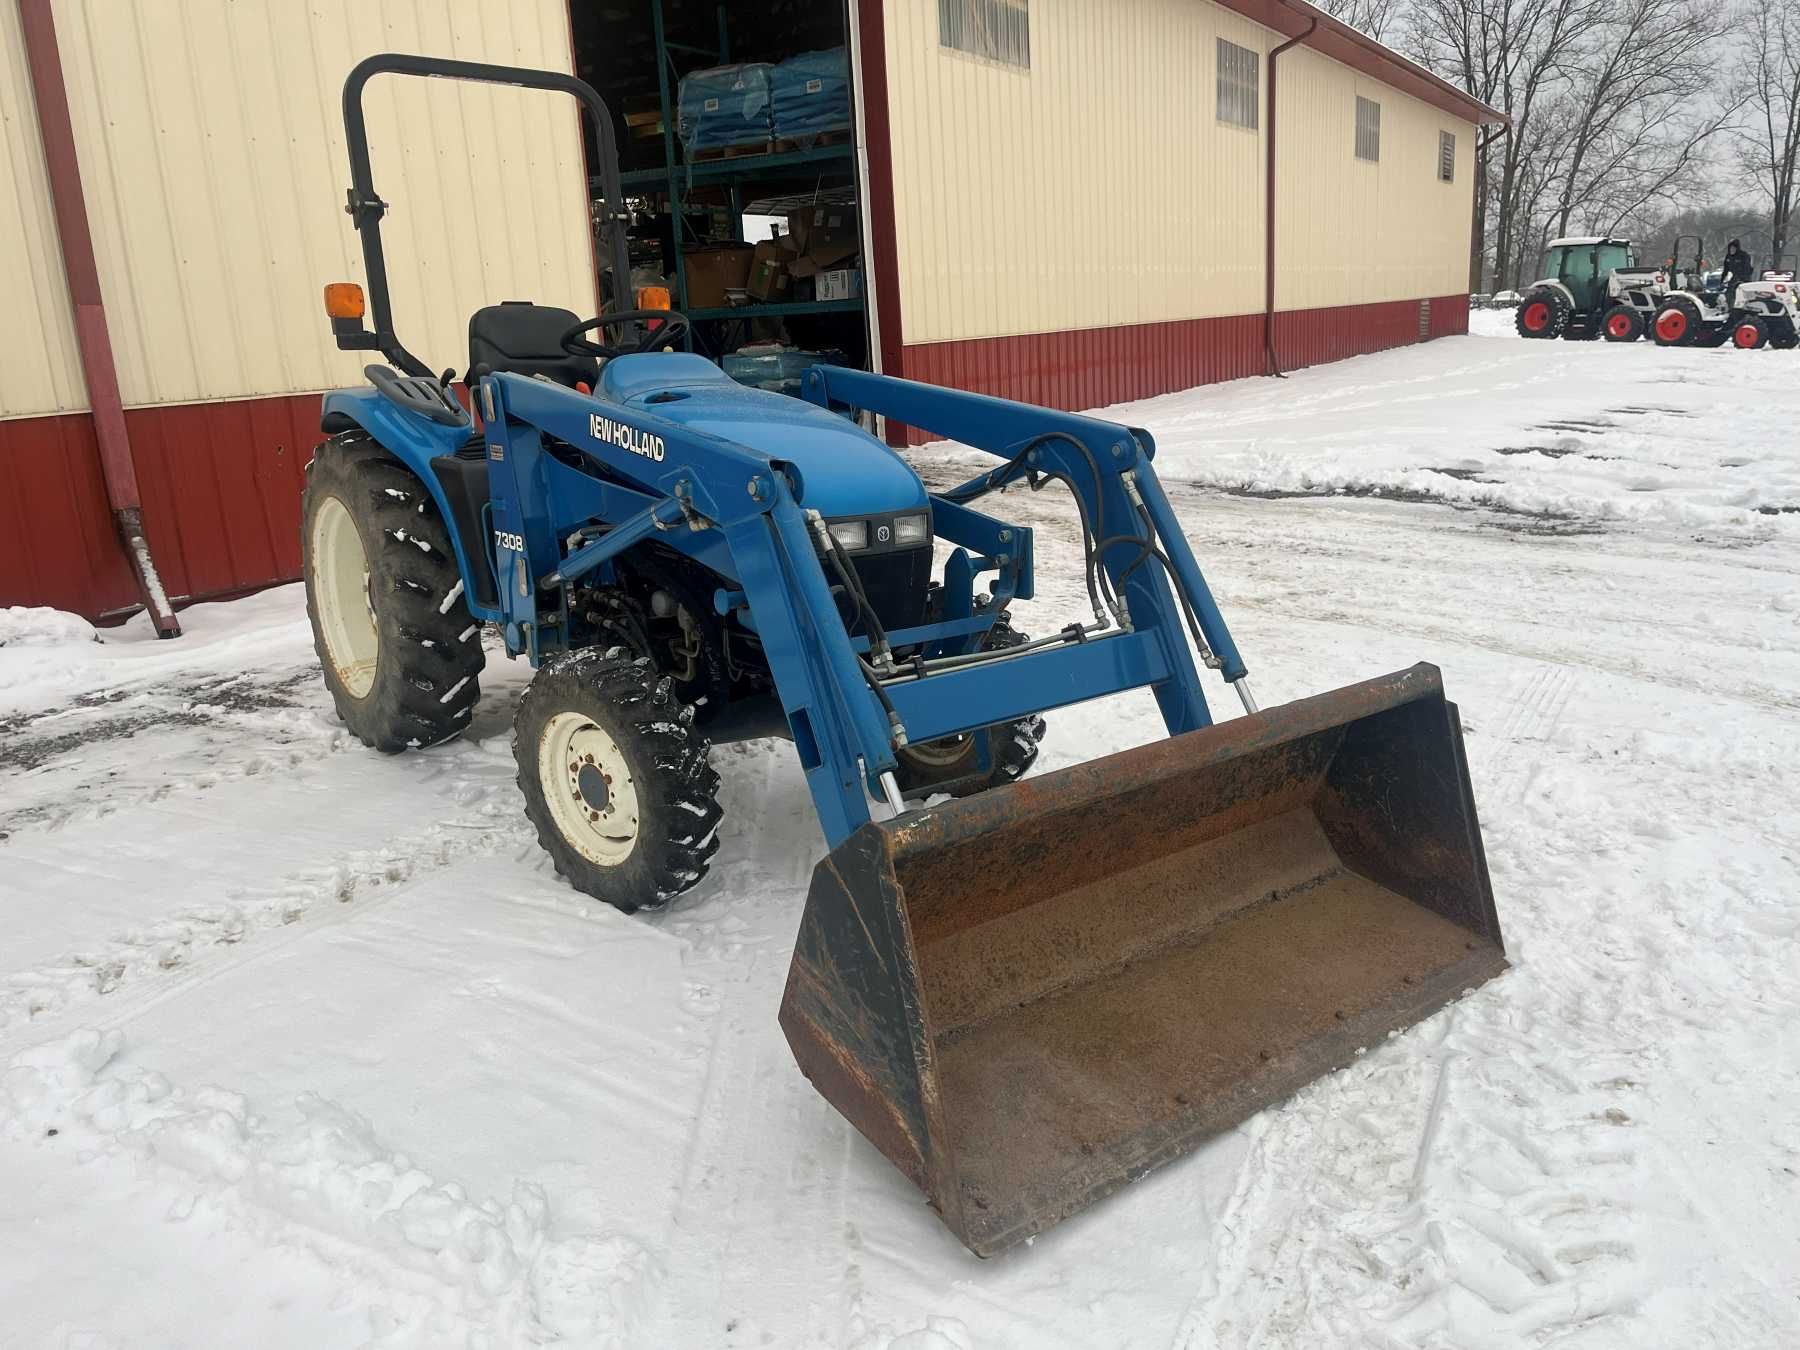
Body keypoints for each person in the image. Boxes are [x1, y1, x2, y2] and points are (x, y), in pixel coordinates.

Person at [1723, 239, 1753, 308]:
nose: (1731, 250)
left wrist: (1744, 279)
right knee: (1729, 294)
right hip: (1733, 279)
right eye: (1730, 248)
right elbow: (1725, 270)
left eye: (1733, 248)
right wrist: (1722, 280)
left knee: (1740, 295)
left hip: (1743, 280)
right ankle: (1730, 308)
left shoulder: (1744, 256)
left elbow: (1747, 269)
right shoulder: (1728, 257)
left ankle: (1738, 309)